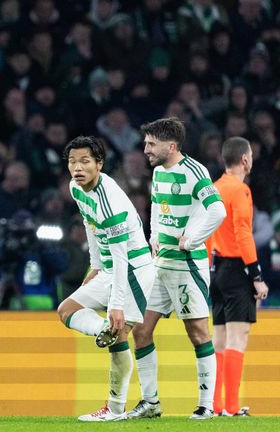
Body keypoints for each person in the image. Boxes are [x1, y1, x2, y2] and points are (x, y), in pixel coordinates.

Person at [127, 117, 227, 420]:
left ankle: (206, 405)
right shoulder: (158, 172)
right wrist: (154, 236)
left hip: (187, 265)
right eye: (146, 143)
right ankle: (150, 402)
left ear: (171, 146)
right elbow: (158, 207)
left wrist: (192, 239)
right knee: (141, 329)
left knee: (197, 332)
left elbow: (217, 211)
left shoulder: (195, 172)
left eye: (151, 144)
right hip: (161, 264)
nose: (146, 149)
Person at [55, 136, 155, 421]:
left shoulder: (110, 200)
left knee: (120, 334)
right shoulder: (76, 187)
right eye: (72, 161)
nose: (77, 167)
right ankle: (104, 328)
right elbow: (90, 225)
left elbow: (122, 257)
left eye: (85, 161)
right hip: (109, 269)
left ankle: (114, 409)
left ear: (99, 164)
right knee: (66, 310)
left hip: (132, 271)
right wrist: (95, 265)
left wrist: (116, 304)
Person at [208, 137, 269, 416]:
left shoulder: (214, 188)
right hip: (236, 270)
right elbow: (243, 233)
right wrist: (256, 274)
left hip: (216, 269)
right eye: (251, 156)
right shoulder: (240, 190)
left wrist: (208, 267)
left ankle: (215, 405)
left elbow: (207, 232)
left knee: (219, 338)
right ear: (245, 159)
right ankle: (232, 407)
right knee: (237, 337)